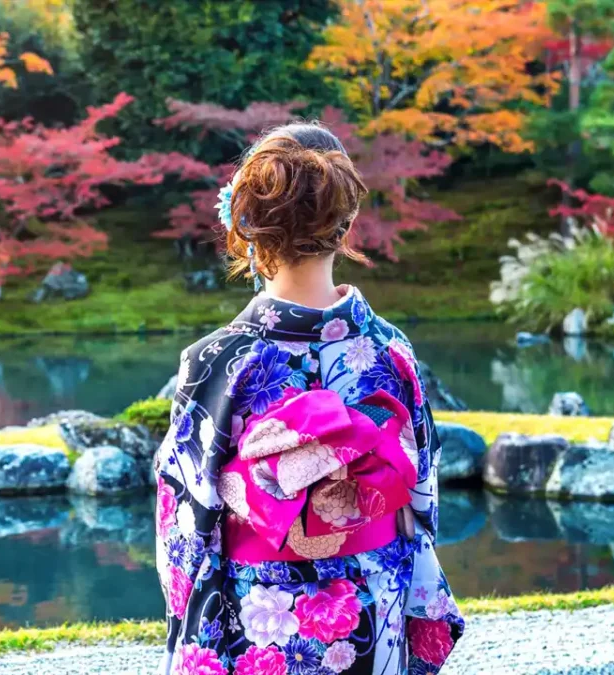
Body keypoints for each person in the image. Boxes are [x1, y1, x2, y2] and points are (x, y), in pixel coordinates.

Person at [154, 123, 464, 675]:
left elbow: (186, 523)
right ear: (345, 221)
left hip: (262, 614)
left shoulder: (217, 361)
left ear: (247, 225)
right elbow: (422, 499)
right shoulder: (391, 351)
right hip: (375, 598)